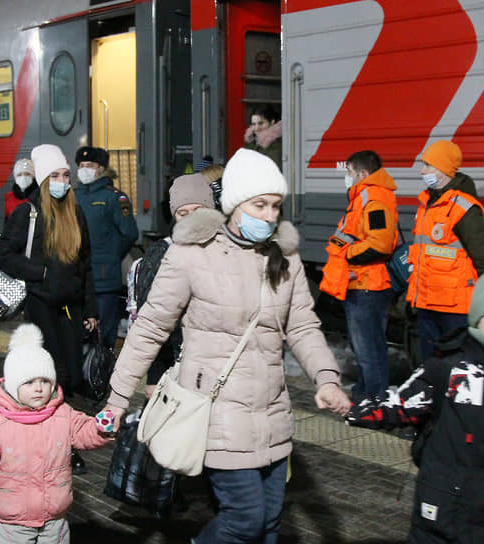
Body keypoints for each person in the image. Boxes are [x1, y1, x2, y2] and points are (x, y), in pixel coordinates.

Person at [103, 148, 351, 544]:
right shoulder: (191, 255)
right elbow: (149, 327)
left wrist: (326, 378)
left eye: (276, 205)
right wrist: (117, 399)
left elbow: (303, 325)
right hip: (218, 412)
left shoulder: (284, 258)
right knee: (245, 519)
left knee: (270, 522)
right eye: (260, 204)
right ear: (235, 204)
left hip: (273, 411)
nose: (270, 215)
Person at [345, 263, 484, 543]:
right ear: (476, 317)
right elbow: (401, 403)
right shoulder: (447, 368)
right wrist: (352, 408)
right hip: (445, 515)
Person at [0, 324, 112, 542]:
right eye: (29, 382)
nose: (38, 388)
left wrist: (100, 427)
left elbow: (84, 431)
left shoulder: (62, 414)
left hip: (54, 519)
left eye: (45, 381)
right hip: (11, 523)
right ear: (13, 385)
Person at [0, 143, 98, 475]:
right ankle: (57, 446)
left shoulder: (75, 213)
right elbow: (3, 256)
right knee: (50, 377)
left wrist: (91, 309)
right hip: (41, 307)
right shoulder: (28, 213)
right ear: (41, 179)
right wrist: (38, 273)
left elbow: (86, 264)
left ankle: (60, 440)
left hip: (70, 307)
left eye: (65, 175)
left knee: (70, 375)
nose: (62, 181)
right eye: (54, 175)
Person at [126, 173, 216, 397]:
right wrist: (154, 377)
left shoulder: (225, 251)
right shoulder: (161, 253)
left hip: (216, 370)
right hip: (175, 370)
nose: (190, 219)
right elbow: (153, 320)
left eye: (197, 211)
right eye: (182, 213)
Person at [407, 140, 484, 361]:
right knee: (433, 369)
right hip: (427, 303)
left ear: (443, 169)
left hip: (454, 309)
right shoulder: (428, 204)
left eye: (428, 165)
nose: (422, 170)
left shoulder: (463, 208)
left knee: (456, 368)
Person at [319, 150, 398, 401]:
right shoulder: (364, 198)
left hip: (368, 285)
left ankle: (373, 401)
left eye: (350, 172)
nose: (347, 177)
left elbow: (380, 244)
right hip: (360, 283)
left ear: (362, 174)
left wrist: (348, 254)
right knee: (364, 347)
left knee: (368, 349)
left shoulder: (374, 200)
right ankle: (365, 394)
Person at [73, 145, 139, 352]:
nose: (85, 169)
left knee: (104, 334)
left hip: (103, 278)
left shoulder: (114, 197)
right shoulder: (73, 195)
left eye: (89, 165)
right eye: (81, 165)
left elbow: (129, 233)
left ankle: (103, 374)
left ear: (101, 168)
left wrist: (111, 255)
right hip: (77, 276)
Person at [243, 104, 282, 169]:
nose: (256, 128)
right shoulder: (251, 141)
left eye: (261, 123)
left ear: (272, 122)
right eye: (253, 124)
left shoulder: (277, 144)